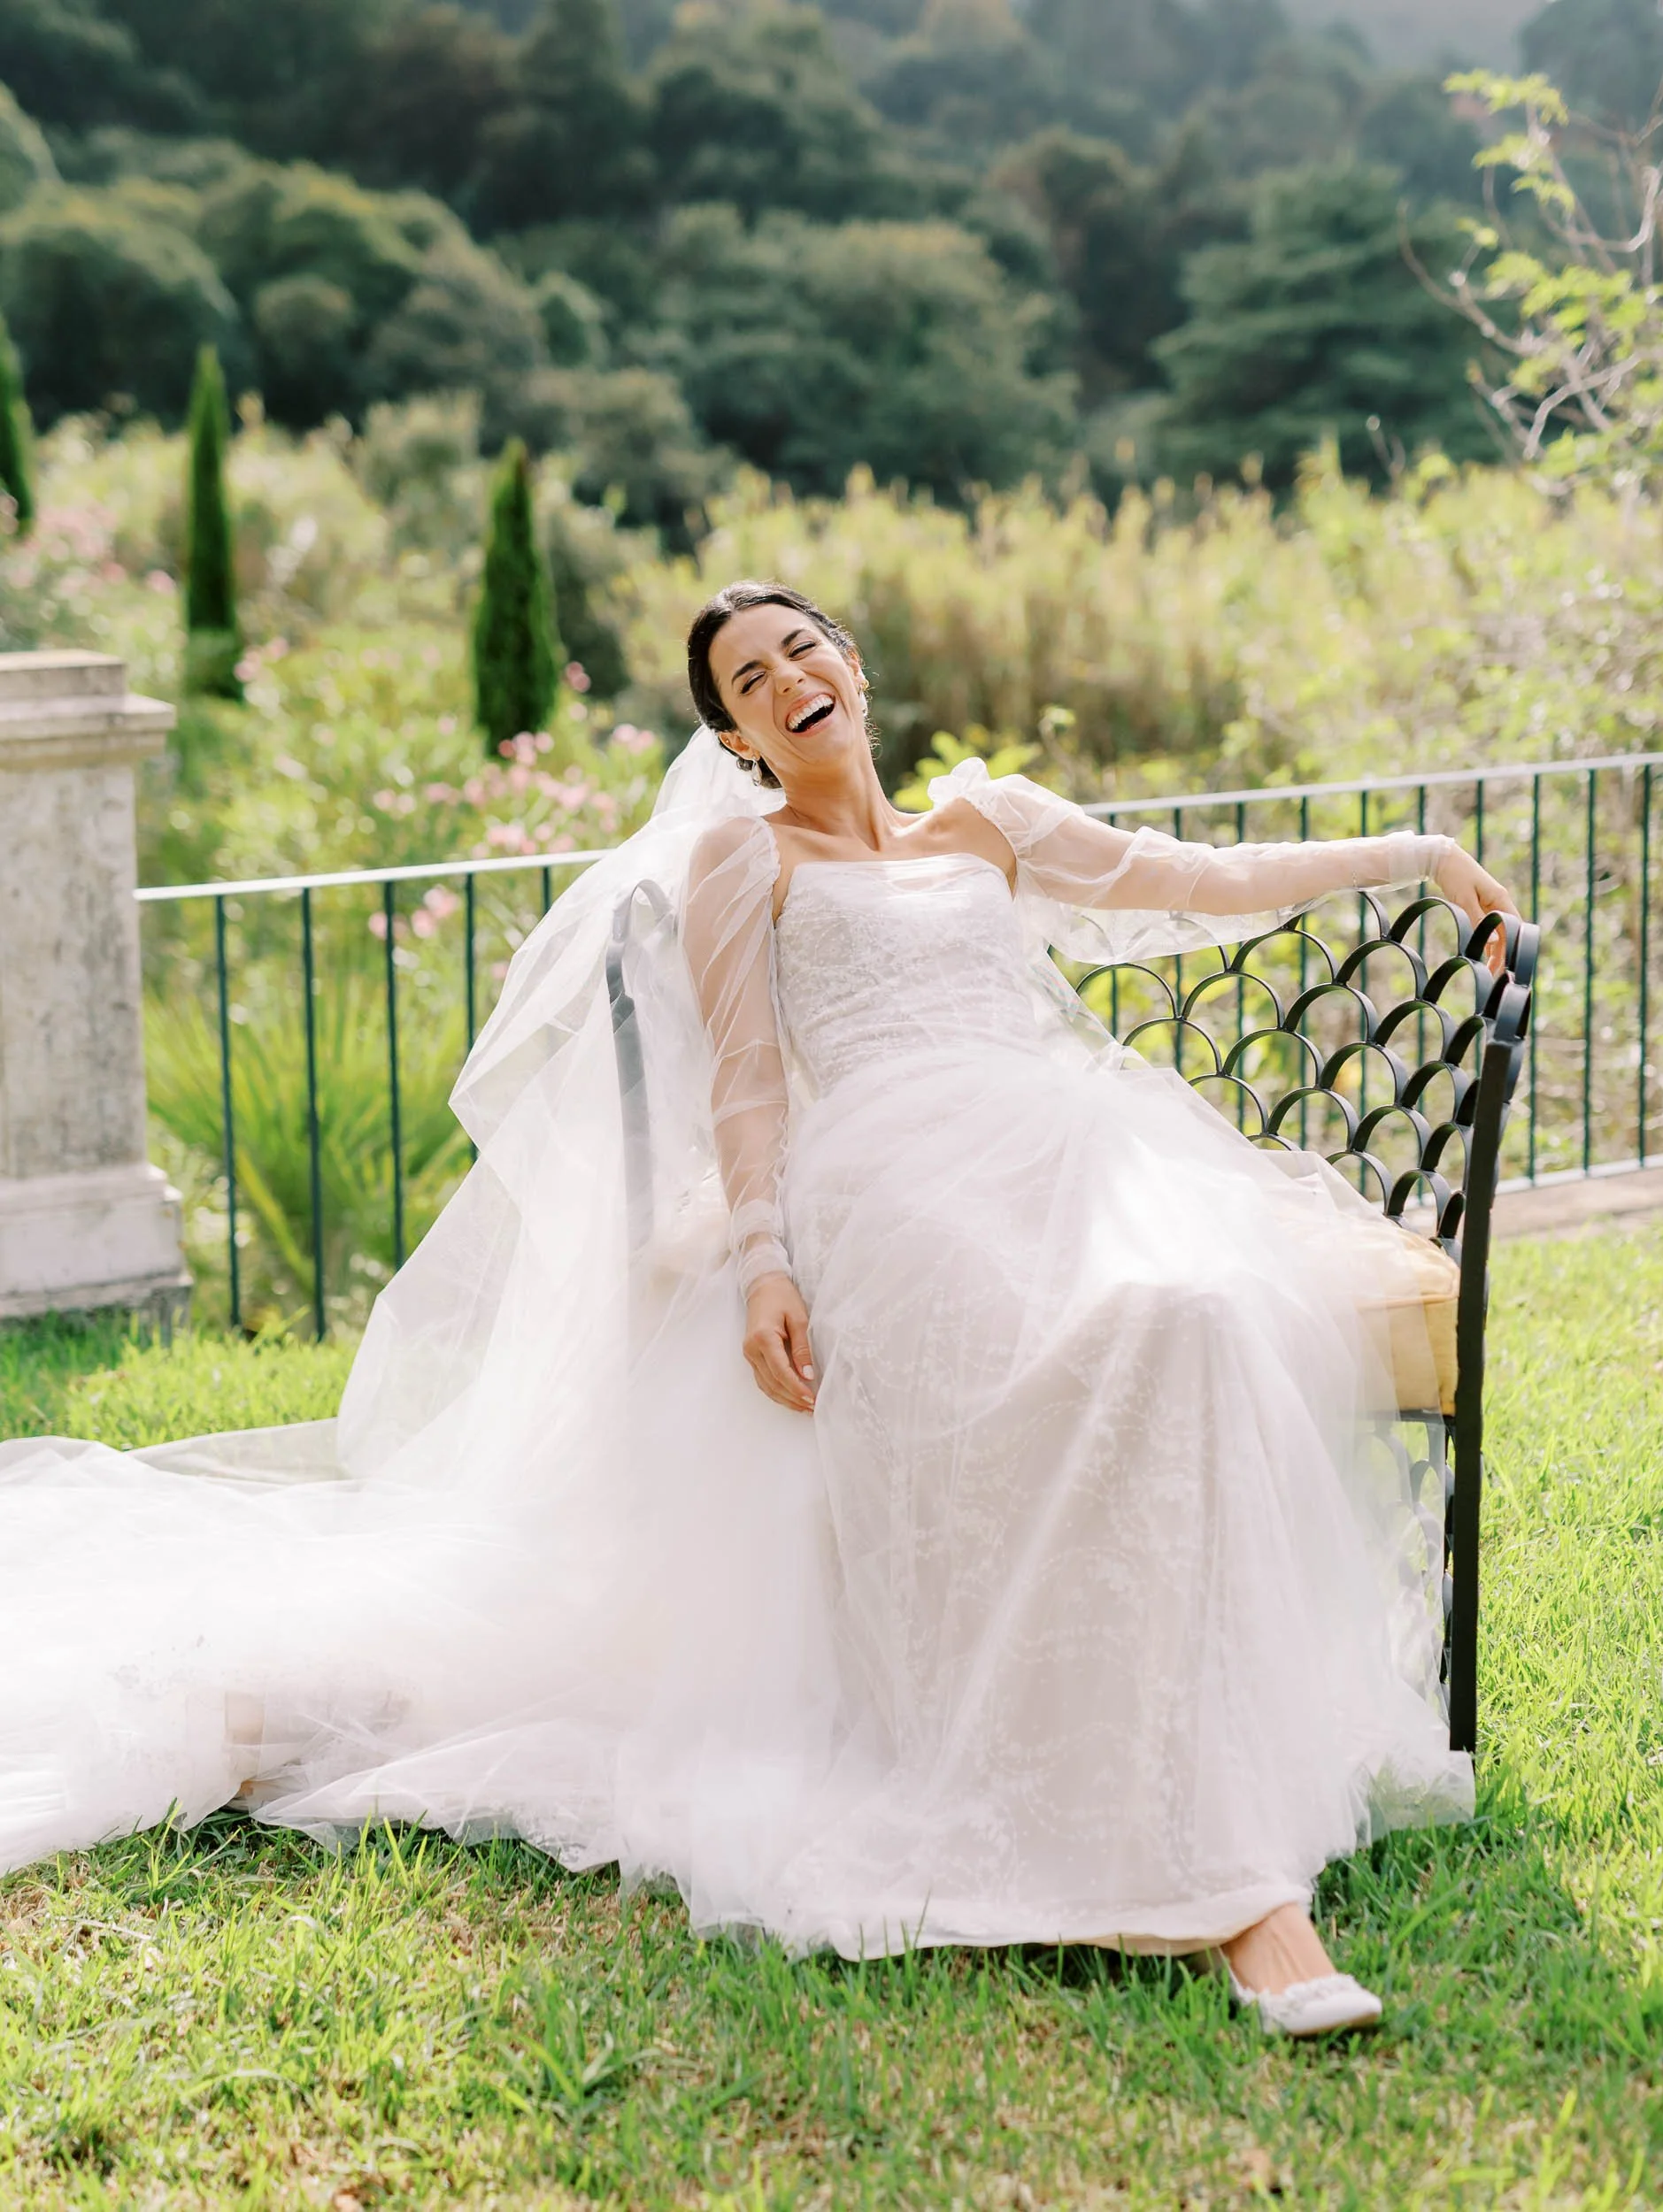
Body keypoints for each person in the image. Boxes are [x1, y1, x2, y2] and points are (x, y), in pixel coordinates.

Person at [0, 580, 1515, 2040]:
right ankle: (1242, 1902)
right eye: (749, 683)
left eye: (801, 650)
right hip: (889, 1182)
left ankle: (1184, 1789)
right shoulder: (749, 861)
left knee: (1180, 1313)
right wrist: (767, 1262)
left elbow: (1203, 879)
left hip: (1060, 1151)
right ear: (738, 738)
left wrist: (1412, 851)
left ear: (848, 663)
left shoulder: (993, 820)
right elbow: (740, 1084)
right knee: (1099, 1343)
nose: (788, 681)